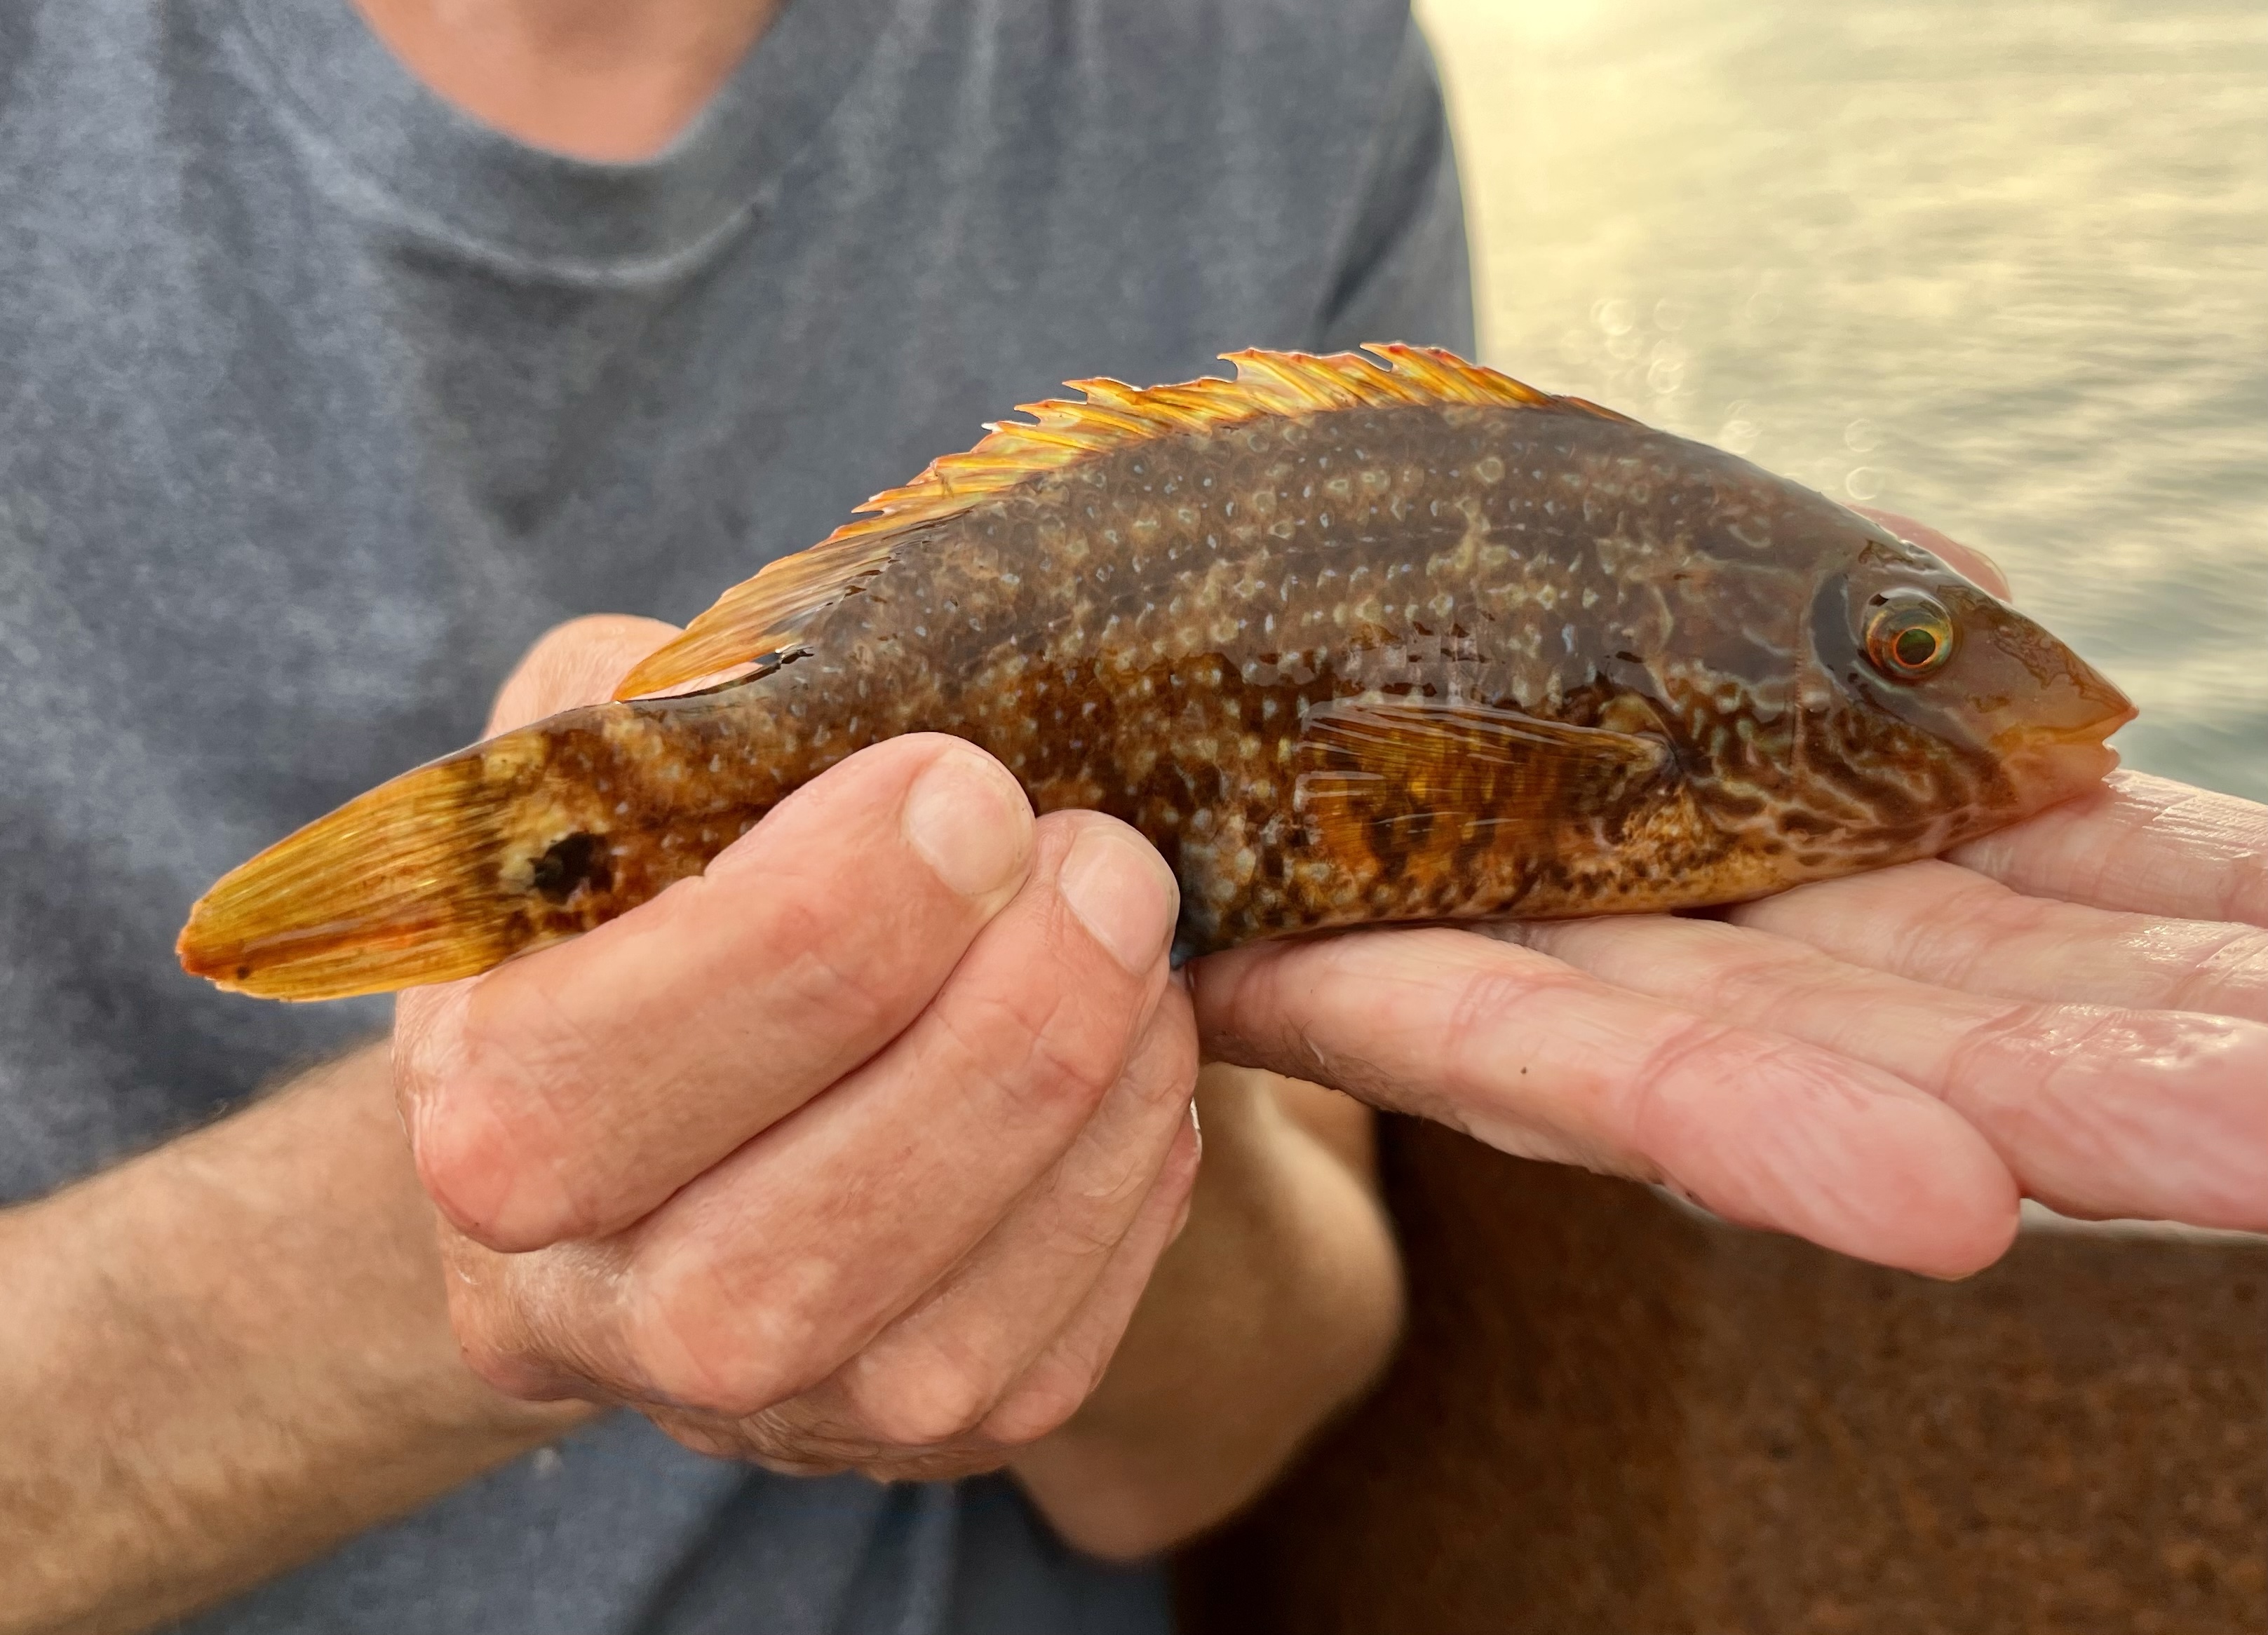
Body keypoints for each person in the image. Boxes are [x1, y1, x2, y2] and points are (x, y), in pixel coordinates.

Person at [2, 2, 2262, 1633]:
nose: (1974, 685)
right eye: (1895, 644)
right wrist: (491, 1207)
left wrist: (1036, 1093)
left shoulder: (1285, 64)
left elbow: (1243, 1396)